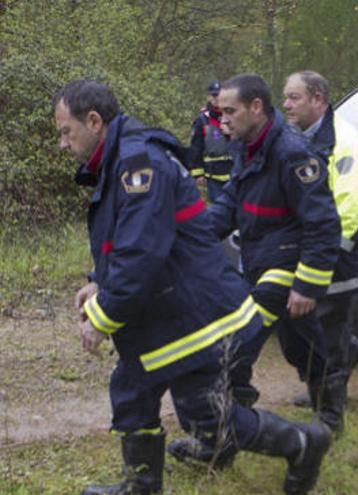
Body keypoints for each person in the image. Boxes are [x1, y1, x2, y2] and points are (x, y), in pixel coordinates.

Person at [54, 79, 330, 495]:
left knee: (205, 413)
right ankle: (142, 484)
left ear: (94, 121)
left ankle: (302, 443)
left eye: (65, 131)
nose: (62, 144)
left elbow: (141, 254)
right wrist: (98, 282)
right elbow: (125, 237)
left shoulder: (139, 163)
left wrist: (103, 317)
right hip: (169, 308)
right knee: (132, 388)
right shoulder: (121, 160)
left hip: (197, 315)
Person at [167, 74, 342, 466]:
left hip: (285, 268)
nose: (222, 120)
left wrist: (308, 285)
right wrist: (180, 240)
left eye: (230, 111)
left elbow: (324, 224)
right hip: (257, 262)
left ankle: (223, 443)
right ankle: (327, 408)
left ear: (256, 108)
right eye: (219, 112)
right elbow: (226, 209)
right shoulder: (247, 148)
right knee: (303, 343)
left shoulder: (294, 153)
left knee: (234, 348)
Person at [281, 70, 358, 427]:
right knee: (308, 326)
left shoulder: (345, 142)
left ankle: (329, 412)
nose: (286, 104)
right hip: (317, 250)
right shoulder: (297, 136)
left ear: (318, 99)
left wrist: (321, 255)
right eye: (286, 96)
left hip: (341, 254)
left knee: (327, 327)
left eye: (294, 97)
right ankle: (331, 375)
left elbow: (349, 208)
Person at [188, 80, 234, 202]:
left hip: (235, 175)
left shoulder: (235, 115)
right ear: (209, 97)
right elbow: (196, 147)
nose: (217, 98)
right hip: (213, 178)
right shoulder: (202, 120)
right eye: (214, 95)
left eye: (219, 95)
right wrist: (197, 173)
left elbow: (246, 141)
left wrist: (231, 133)